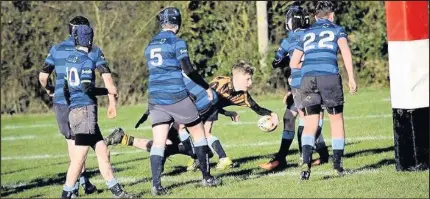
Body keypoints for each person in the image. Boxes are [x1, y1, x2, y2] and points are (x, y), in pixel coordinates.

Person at [144, 7, 221, 196]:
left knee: (158, 143)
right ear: (178, 23)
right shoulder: (177, 42)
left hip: (155, 99)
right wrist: (206, 87)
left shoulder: (150, 45)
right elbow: (188, 69)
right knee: (199, 133)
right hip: (176, 96)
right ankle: (207, 177)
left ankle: (156, 185)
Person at [38, 16, 115, 196]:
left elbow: (43, 77)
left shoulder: (56, 49)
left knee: (74, 144)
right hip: (83, 102)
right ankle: (74, 188)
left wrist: (50, 89)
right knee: (84, 145)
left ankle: (82, 184)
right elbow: (107, 78)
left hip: (61, 101)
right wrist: (112, 100)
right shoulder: (93, 50)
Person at [61, 25, 133, 198]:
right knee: (79, 159)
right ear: (90, 39)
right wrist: (107, 91)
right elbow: (87, 88)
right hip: (85, 112)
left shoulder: (70, 59)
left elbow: (65, 88)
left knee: (102, 151)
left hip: (75, 111)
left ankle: (117, 191)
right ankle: (66, 193)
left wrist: (73, 106)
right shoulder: (87, 61)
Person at [289, 1, 357, 180]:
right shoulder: (337, 29)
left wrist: (309, 67)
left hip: (308, 79)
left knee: (310, 123)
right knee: (336, 121)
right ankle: (337, 166)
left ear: (315, 17)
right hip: (329, 77)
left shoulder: (307, 32)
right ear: (331, 15)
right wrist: (351, 78)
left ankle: (305, 164)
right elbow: (345, 52)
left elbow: (293, 63)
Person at [259, 5, 329, 171]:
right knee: (290, 117)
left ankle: (310, 155)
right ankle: (285, 157)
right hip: (316, 80)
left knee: (306, 119)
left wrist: (287, 61)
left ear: (290, 23)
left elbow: (276, 62)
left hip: (301, 84)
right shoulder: (313, 35)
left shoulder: (289, 39)